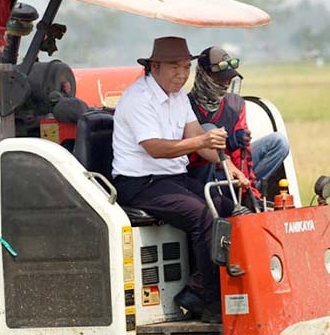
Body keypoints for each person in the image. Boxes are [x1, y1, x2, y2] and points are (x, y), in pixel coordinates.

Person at [111, 37, 249, 323]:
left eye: (186, 67)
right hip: (139, 183)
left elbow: (199, 140)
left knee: (228, 210)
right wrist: (202, 139)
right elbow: (155, 148)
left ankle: (205, 289)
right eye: (175, 67)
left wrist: (227, 166)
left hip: (173, 178)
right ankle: (209, 303)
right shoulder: (138, 98)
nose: (182, 74)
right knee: (204, 216)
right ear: (154, 66)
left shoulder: (178, 98)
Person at [187, 46, 290, 203]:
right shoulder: (186, 105)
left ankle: (246, 190)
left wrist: (237, 144)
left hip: (234, 172)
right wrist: (222, 157)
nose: (226, 84)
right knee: (209, 130)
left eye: (228, 79)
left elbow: (243, 153)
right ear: (204, 75)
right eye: (220, 79)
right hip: (202, 173)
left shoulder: (235, 104)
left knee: (278, 142)